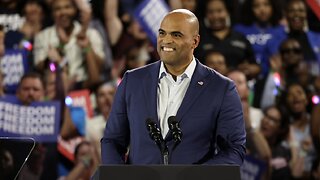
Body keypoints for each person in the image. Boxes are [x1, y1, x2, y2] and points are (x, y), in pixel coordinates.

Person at [101, 9, 246, 165]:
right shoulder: (133, 81)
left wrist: (196, 177)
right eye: (162, 33)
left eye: (176, 35)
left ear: (195, 42)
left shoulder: (221, 88)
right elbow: (112, 141)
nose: (166, 40)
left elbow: (234, 149)